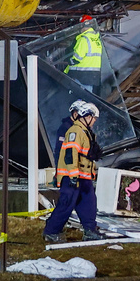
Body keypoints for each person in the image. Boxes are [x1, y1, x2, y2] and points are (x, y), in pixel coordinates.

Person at [44, 103, 103, 242]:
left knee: (88, 203)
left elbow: (85, 155)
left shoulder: (86, 132)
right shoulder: (74, 131)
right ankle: (51, 231)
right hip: (73, 177)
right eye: (94, 118)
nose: (94, 121)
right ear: (87, 117)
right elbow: (71, 154)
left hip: (83, 176)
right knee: (66, 204)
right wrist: (73, 175)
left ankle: (90, 230)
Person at [64, 15, 103, 93]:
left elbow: (77, 58)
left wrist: (67, 60)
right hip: (92, 76)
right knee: (86, 98)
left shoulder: (84, 39)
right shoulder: (96, 40)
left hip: (80, 75)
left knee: (77, 98)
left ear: (83, 25)